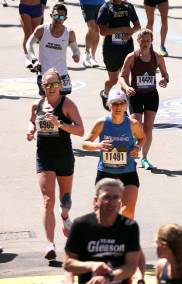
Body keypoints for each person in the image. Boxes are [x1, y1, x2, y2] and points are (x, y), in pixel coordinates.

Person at [26, 68, 85, 260]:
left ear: (60, 85)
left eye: (54, 84)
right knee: (47, 201)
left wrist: (59, 123)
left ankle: (65, 217)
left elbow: (80, 130)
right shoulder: (37, 105)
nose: (50, 88)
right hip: (44, 156)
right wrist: (30, 130)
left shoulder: (67, 105)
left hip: (64, 156)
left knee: (65, 200)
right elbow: (31, 122)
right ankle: (50, 244)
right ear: (42, 86)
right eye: (47, 84)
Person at [82, 89, 145, 220]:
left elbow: (142, 138)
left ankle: (123, 239)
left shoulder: (133, 124)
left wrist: (137, 147)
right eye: (115, 103)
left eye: (121, 103)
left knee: (127, 213)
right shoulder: (102, 123)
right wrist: (98, 146)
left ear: (126, 105)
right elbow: (85, 143)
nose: (118, 107)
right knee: (103, 215)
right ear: (109, 105)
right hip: (106, 174)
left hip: (128, 173)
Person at [119, 28, 169, 170]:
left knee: (148, 129)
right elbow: (122, 76)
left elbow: (165, 74)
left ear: (152, 41)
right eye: (143, 40)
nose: (145, 43)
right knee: (136, 126)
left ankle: (144, 158)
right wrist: (126, 87)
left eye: (148, 41)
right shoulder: (131, 57)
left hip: (151, 95)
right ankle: (132, 153)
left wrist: (165, 80)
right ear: (138, 41)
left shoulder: (157, 57)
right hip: (136, 95)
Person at [27, 3, 80, 96]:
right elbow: (29, 43)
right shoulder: (42, 29)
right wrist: (33, 60)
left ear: (65, 18)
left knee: (63, 103)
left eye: (61, 17)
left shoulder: (69, 32)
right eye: (56, 16)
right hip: (45, 73)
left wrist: (76, 55)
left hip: (62, 74)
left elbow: (76, 49)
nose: (58, 19)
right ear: (51, 15)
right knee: (47, 102)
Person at [97, 0, 140, 110]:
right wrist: (123, 29)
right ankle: (105, 93)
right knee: (113, 80)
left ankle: (123, 109)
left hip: (127, 48)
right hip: (111, 50)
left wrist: (131, 32)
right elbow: (102, 31)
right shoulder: (106, 7)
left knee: (125, 78)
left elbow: (137, 26)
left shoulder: (129, 6)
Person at [19, 0, 43, 68]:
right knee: (28, 33)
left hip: (37, 7)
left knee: (35, 34)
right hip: (25, 7)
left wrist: (43, 6)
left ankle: (36, 57)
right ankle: (27, 58)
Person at [79, 0, 103, 67]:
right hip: (87, 3)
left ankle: (93, 57)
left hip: (100, 3)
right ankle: (86, 55)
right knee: (92, 28)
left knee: (97, 30)